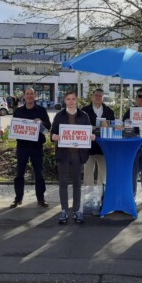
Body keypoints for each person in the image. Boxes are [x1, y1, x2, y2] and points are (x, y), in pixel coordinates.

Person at [51, 90, 95, 224]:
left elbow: (88, 133)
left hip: (78, 154)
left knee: (77, 183)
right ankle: (64, 210)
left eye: (73, 99)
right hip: (63, 154)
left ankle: (76, 210)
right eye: (68, 99)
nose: (71, 101)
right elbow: (52, 133)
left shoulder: (84, 115)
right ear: (65, 101)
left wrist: (91, 137)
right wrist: (54, 137)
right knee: (63, 183)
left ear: (77, 101)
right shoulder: (59, 116)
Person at [10, 87, 51, 209]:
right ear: (24, 96)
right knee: (19, 174)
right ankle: (18, 199)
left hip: (37, 146)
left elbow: (47, 129)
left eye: (31, 94)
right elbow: (14, 127)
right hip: (22, 146)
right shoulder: (18, 111)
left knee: (39, 173)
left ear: (35, 96)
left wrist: (41, 123)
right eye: (27, 94)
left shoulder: (41, 111)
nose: (29, 96)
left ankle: (40, 198)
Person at [81, 88, 115, 186]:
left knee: (103, 176)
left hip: (104, 148)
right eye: (96, 95)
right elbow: (81, 127)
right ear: (92, 97)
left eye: (100, 96)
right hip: (88, 147)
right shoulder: (84, 111)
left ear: (103, 98)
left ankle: (101, 197)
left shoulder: (109, 111)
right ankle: (88, 199)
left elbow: (112, 128)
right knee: (87, 175)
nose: (98, 97)